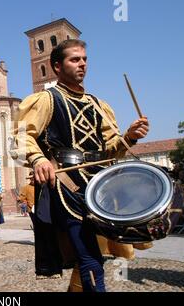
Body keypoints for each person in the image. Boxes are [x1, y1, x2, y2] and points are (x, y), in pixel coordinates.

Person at [12, 39, 149, 292]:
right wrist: (39, 158)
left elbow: (111, 150)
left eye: (84, 59)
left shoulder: (98, 104)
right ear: (57, 66)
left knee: (91, 255)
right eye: (75, 60)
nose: (82, 64)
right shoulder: (46, 100)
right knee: (89, 256)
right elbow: (21, 135)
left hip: (99, 185)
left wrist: (129, 137)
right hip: (67, 186)